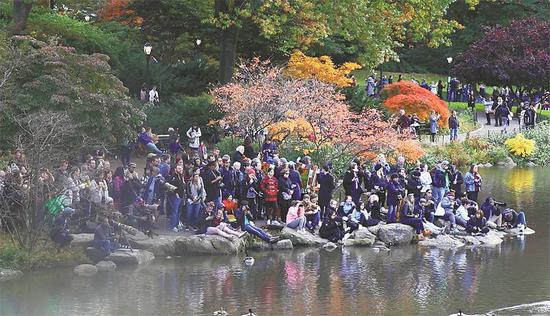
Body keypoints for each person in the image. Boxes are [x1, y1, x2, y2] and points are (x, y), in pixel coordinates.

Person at [168, 164, 186, 232]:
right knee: (174, 211)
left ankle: (177, 223)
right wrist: (176, 194)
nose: (180, 170)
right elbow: (171, 187)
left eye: (181, 169)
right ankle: (173, 226)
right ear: (175, 169)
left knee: (179, 211)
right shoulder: (173, 177)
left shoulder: (181, 176)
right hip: (175, 196)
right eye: (179, 169)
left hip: (181, 196)